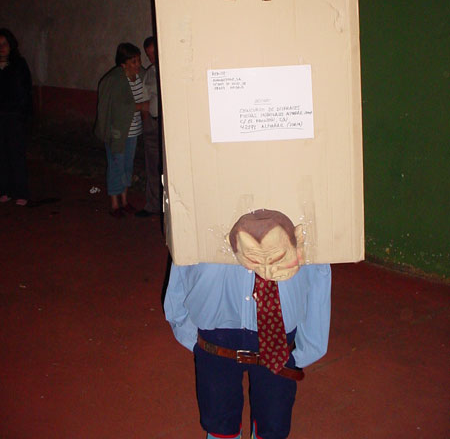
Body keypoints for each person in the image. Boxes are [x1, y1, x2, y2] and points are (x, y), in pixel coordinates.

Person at [164, 209, 331, 439]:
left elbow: (318, 268)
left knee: (272, 425)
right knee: (220, 424)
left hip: (276, 336)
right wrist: (183, 324)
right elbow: (182, 255)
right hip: (216, 333)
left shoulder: (299, 210)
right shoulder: (203, 208)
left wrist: (311, 343)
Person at [94, 42, 149, 218]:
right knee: (116, 166)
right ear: (123, 64)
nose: (138, 64)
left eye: (138, 60)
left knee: (127, 167)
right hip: (117, 132)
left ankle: (124, 200)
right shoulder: (115, 80)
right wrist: (140, 106)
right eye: (133, 62)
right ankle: (114, 204)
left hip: (133, 131)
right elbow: (117, 107)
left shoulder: (140, 76)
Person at [0, 28, 32, 206]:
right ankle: (5, 190)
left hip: (15, 116)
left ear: (11, 45)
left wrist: (24, 114)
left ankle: (21, 192)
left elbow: (26, 91)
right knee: (2, 155)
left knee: (16, 154)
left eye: (4, 44)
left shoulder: (19, 64)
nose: (1, 48)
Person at [135, 36, 162, 217]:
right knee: (152, 166)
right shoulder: (150, 73)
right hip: (152, 123)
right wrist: (146, 122)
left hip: (165, 126)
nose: (152, 58)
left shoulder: (168, 70)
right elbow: (145, 97)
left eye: (154, 53)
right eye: (148, 55)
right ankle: (153, 205)